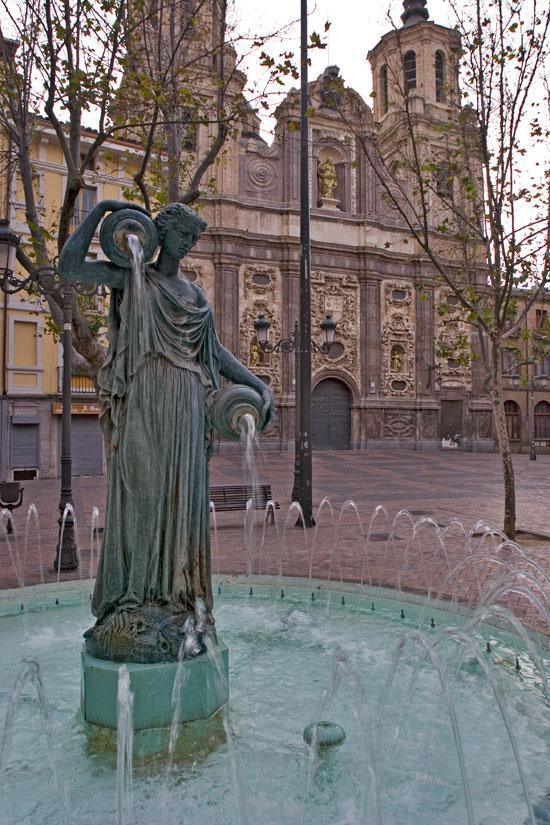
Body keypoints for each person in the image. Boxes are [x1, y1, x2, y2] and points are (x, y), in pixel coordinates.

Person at [59, 200, 274, 658]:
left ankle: (177, 600)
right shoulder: (134, 277)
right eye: (182, 235)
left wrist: (257, 383)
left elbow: (215, 353)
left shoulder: (195, 295)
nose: (187, 244)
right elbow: (70, 266)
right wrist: (100, 211)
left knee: (182, 500)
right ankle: (132, 600)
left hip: (187, 402)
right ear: (160, 234)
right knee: (142, 494)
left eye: (193, 238)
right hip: (144, 395)